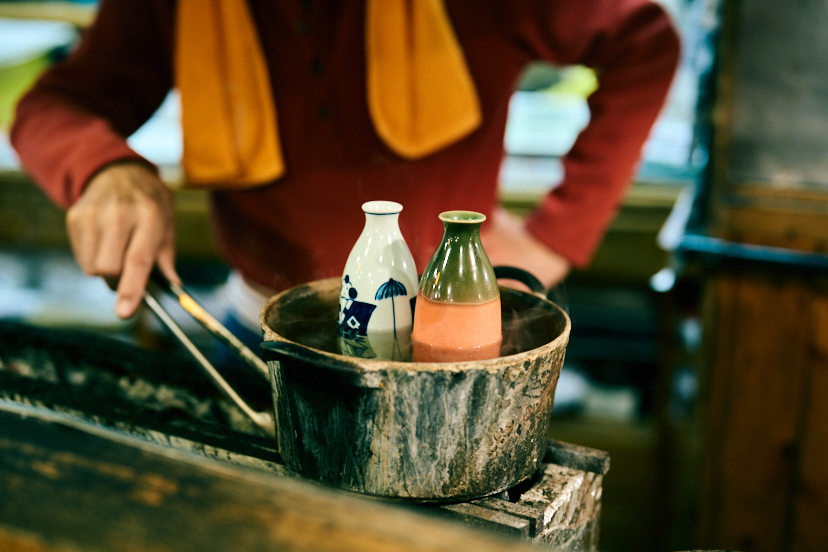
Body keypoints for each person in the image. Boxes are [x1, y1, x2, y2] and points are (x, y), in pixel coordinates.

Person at [11, 0, 680, 335]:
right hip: (260, 327)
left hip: (442, 335)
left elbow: (644, 42)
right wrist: (103, 170)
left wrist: (552, 237)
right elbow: (54, 106)